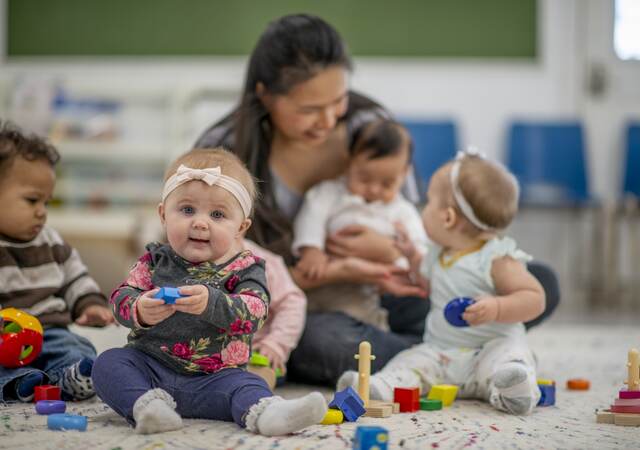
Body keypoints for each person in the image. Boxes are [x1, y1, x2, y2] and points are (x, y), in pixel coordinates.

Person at [195, 13, 560, 385]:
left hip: (388, 284)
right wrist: (332, 271)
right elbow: (212, 272)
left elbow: (411, 220)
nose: (327, 120)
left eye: (337, 101)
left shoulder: (369, 124)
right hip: (294, 304)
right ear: (264, 95)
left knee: (538, 282)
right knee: (327, 342)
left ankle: (441, 352)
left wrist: (390, 252)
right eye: (308, 110)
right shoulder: (223, 151)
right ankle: (463, 353)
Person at [92, 148, 327, 436]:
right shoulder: (153, 261)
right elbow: (121, 297)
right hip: (151, 369)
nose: (200, 223)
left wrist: (212, 302)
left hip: (217, 380)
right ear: (164, 215)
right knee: (108, 363)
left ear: (240, 228)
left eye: (217, 214)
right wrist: (139, 308)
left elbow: (255, 311)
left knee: (250, 385)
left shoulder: (246, 268)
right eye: (187, 210)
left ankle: (270, 414)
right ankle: (147, 408)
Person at [338, 152, 544, 415]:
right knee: (410, 361)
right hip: (441, 352)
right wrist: (411, 254)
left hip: (488, 348)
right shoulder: (438, 253)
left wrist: (498, 307)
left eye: (429, 202)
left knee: (510, 355)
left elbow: (535, 297)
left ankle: (513, 386)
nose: (424, 207)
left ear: (447, 218)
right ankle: (378, 387)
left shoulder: (496, 258)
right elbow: (426, 279)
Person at [0, 121, 114, 403]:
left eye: (47, 203)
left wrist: (91, 305)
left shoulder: (52, 242)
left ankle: (71, 377)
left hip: (49, 331)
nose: (41, 213)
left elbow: (76, 278)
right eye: (32, 200)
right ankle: (21, 384)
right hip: (4, 339)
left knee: (76, 347)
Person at [292, 119, 428, 331]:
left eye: (387, 183)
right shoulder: (329, 193)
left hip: (366, 291)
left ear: (405, 173)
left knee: (363, 322)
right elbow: (312, 217)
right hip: (322, 280)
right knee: (302, 315)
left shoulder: (403, 212)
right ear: (349, 162)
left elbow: (419, 250)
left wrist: (394, 257)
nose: (373, 190)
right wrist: (312, 250)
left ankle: (377, 344)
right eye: (364, 178)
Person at [246, 239, 306, 377]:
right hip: (200, 357)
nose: (201, 224)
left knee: (259, 376)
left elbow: (291, 302)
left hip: (256, 352)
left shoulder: (263, 262)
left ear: (243, 226)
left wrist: (276, 343)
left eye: (218, 216)